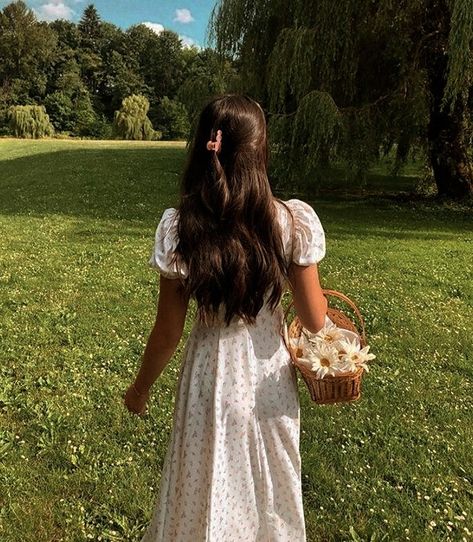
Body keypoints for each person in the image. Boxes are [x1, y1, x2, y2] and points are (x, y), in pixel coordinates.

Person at [124, 94, 328, 541]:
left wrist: (139, 390)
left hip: (209, 377)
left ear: (203, 147)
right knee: (270, 487)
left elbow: (168, 331)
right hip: (268, 377)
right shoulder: (291, 222)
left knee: (203, 486)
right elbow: (315, 320)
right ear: (261, 150)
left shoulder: (181, 228)